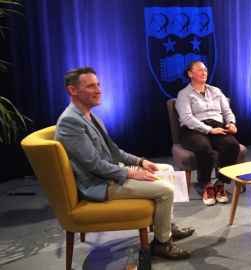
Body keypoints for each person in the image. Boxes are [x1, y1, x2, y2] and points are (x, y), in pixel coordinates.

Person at [55, 67, 193, 260]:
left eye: (98, 85)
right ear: (73, 90)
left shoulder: (89, 115)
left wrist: (141, 162)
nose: (98, 90)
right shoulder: (70, 122)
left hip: (109, 173)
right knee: (166, 190)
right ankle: (162, 243)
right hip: (98, 183)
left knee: (167, 169)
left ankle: (167, 227)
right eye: (91, 86)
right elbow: (93, 165)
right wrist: (131, 173)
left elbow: (114, 151)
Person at [176, 61, 240, 206]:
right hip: (192, 129)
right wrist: (209, 130)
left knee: (232, 145)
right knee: (204, 147)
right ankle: (206, 185)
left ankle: (221, 183)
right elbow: (187, 118)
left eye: (205, 70)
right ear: (190, 74)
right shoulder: (184, 94)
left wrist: (231, 123)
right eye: (199, 70)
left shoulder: (216, 91)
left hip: (216, 125)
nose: (204, 72)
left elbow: (227, 111)